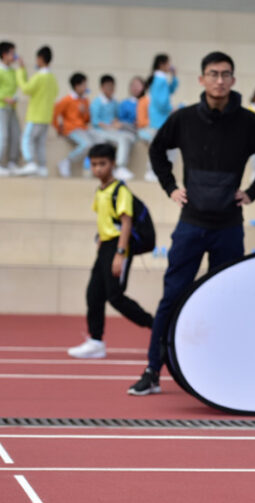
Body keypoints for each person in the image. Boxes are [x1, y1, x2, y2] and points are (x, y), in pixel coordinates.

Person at [128, 51, 255, 396]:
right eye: (212, 74)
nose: (218, 80)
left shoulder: (248, 122)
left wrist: (252, 193)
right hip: (191, 225)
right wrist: (171, 187)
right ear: (201, 79)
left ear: (233, 80)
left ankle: (223, 371)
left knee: (225, 299)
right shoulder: (184, 119)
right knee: (171, 296)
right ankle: (153, 369)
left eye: (225, 74)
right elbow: (157, 150)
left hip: (229, 226)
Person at [67, 143, 154, 359]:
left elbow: (126, 223)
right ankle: (96, 341)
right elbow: (104, 219)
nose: (98, 169)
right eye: (94, 164)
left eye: (102, 164)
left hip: (118, 246)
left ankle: (156, 326)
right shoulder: (100, 190)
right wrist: (100, 243)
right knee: (93, 294)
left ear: (113, 164)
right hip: (105, 246)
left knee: (115, 297)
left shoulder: (120, 190)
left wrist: (120, 253)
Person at [15, 46, 57, 177]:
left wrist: (20, 72)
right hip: (46, 116)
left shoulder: (39, 77)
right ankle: (42, 167)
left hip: (35, 115)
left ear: (40, 59)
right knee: (40, 143)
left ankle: (30, 162)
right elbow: (55, 92)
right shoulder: (52, 78)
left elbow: (26, 88)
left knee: (26, 139)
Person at [90, 74, 135, 181]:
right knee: (123, 138)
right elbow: (96, 121)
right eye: (108, 87)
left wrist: (116, 123)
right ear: (102, 88)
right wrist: (109, 126)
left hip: (112, 131)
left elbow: (116, 117)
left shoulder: (115, 102)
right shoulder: (97, 102)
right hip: (100, 131)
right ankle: (120, 166)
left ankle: (118, 166)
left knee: (129, 137)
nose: (110, 89)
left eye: (112, 87)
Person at [52, 72, 96, 178]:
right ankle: (66, 161)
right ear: (77, 86)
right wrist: (59, 128)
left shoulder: (85, 100)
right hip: (71, 129)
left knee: (95, 144)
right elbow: (55, 114)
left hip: (82, 129)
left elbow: (87, 120)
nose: (86, 87)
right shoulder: (67, 99)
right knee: (87, 144)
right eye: (84, 85)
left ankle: (88, 169)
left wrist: (84, 112)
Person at [144, 53, 178, 182]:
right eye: (168, 63)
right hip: (160, 119)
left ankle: (155, 171)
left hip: (160, 118)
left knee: (162, 146)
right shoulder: (159, 79)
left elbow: (171, 90)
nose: (170, 66)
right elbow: (161, 101)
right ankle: (152, 171)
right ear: (162, 64)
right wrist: (171, 108)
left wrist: (174, 76)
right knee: (157, 146)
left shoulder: (160, 79)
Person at [0, 41, 20, 176]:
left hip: (12, 107)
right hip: (1, 107)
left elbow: (22, 83)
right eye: (12, 53)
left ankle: (12, 162)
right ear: (4, 54)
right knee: (3, 135)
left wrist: (22, 67)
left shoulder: (13, 71)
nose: (14, 56)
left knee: (16, 134)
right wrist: (3, 97)